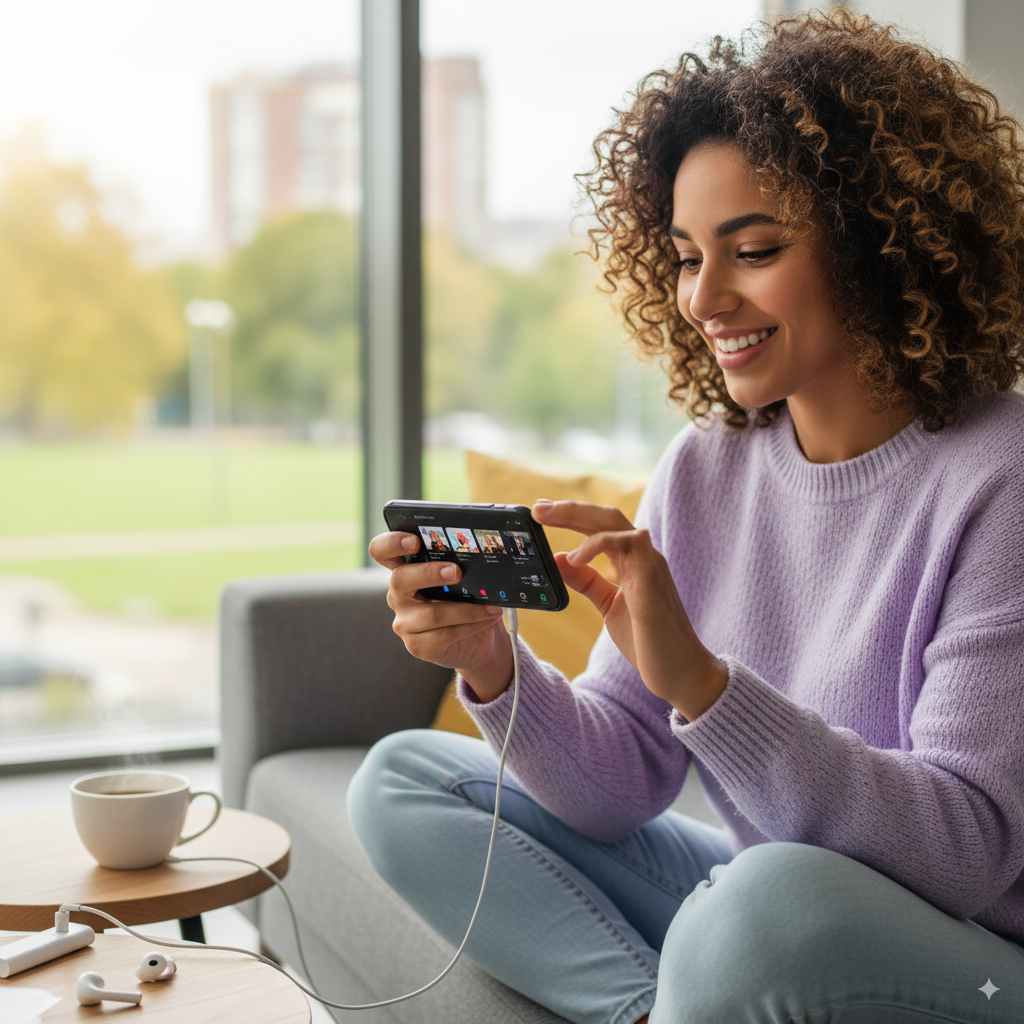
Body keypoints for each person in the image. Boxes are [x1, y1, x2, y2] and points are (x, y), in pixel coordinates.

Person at [350, 9, 1024, 1023]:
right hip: (773, 918)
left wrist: (704, 686)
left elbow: (964, 856)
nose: (704, 297)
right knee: (405, 780)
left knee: (758, 903)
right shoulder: (708, 467)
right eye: (681, 255)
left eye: (750, 249)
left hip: (978, 960)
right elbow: (618, 789)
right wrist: (493, 664)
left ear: (881, 246)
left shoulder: (1002, 478)